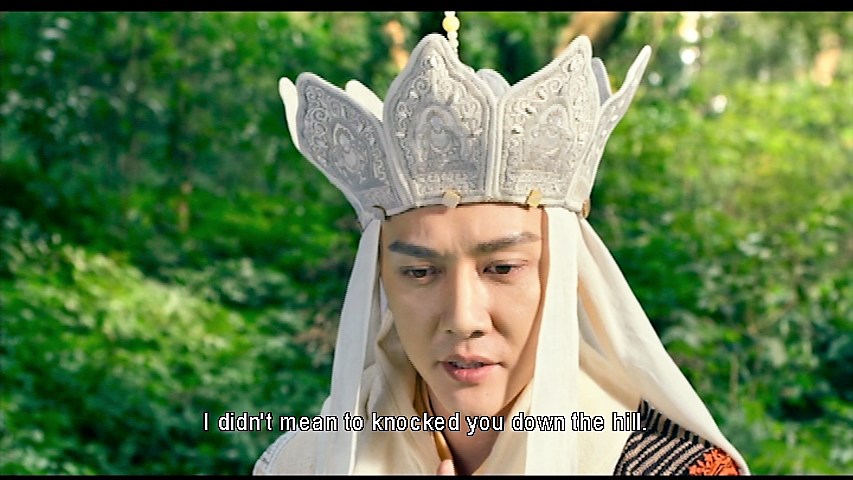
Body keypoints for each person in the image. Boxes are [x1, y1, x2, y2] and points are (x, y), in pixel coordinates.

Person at [254, 18, 750, 475]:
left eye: (503, 268)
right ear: (380, 279)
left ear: (564, 274)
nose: (463, 318)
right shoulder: (303, 462)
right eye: (420, 272)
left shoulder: (674, 469)